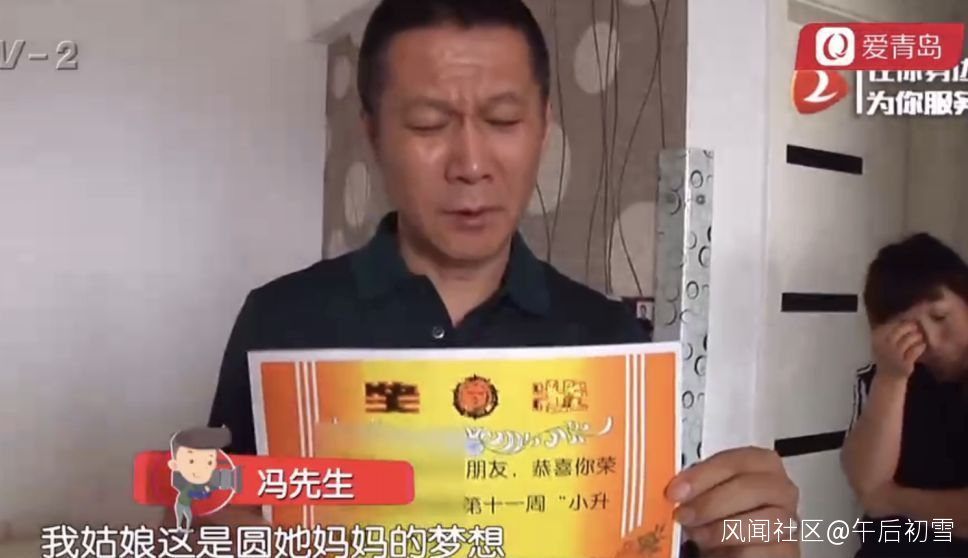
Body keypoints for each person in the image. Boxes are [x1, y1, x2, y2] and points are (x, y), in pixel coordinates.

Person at [177, 0, 801, 555]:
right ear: (372, 132)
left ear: (543, 126)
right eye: (428, 124)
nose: (471, 164)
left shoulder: (609, 339)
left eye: (503, 120)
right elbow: (209, 516)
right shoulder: (280, 319)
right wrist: (191, 533)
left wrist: (744, 545)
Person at [842, 233, 968, 557]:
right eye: (907, 328)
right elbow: (866, 483)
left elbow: (878, 497)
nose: (932, 341)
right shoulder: (885, 375)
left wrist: (893, 500)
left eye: (940, 317)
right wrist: (892, 378)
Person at [167, 427, 232, 532]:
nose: (201, 468)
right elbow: (194, 494)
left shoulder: (212, 484)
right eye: (191, 461)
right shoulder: (184, 485)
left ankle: (184, 528)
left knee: (188, 517)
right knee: (183, 518)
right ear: (174, 465)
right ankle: (181, 528)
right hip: (182, 506)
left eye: (209, 462)